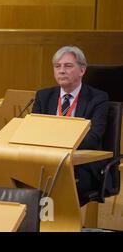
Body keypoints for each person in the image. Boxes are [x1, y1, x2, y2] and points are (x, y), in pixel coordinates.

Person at [32, 45, 109, 206]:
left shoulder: (98, 98)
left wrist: (60, 144)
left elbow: (93, 138)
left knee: (53, 184)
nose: (61, 70)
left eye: (68, 66)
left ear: (82, 70)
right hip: (46, 162)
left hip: (80, 164)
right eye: (57, 66)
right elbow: (33, 132)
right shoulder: (43, 96)